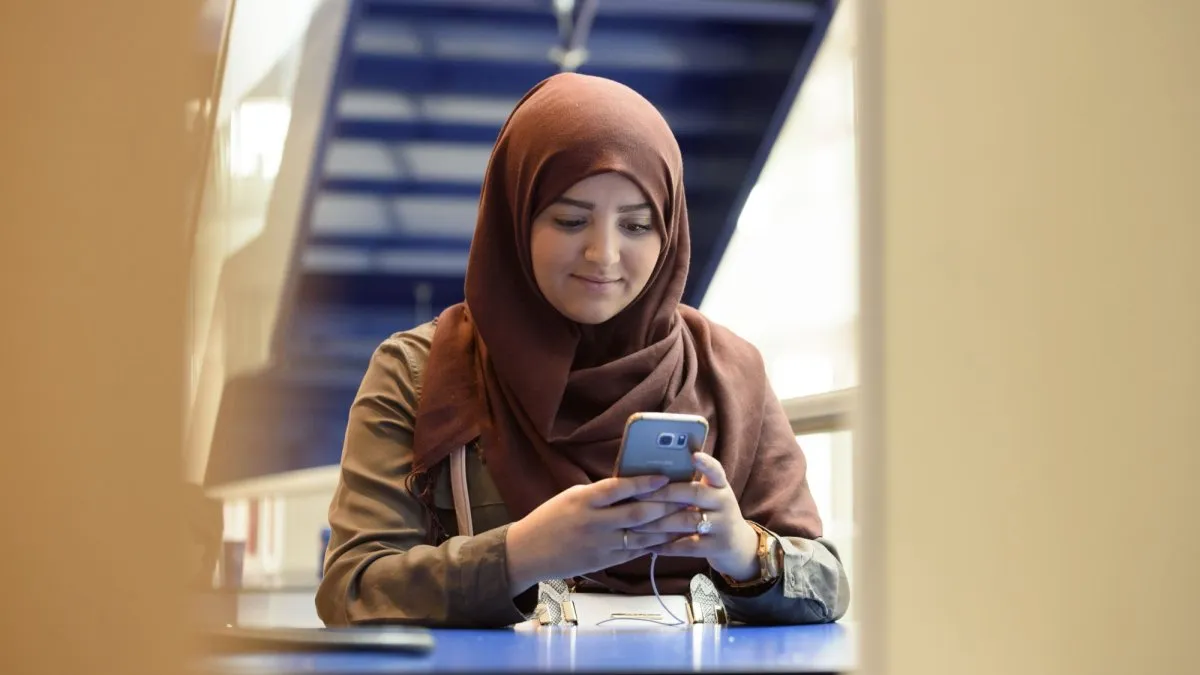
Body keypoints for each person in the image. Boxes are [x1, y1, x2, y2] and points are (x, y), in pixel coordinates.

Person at [315, 73, 849, 628]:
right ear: (516, 217)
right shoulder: (419, 372)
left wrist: (742, 549)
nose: (604, 254)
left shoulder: (730, 373)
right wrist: (522, 553)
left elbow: (828, 583)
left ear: (669, 232)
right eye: (570, 220)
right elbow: (353, 590)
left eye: (637, 224)